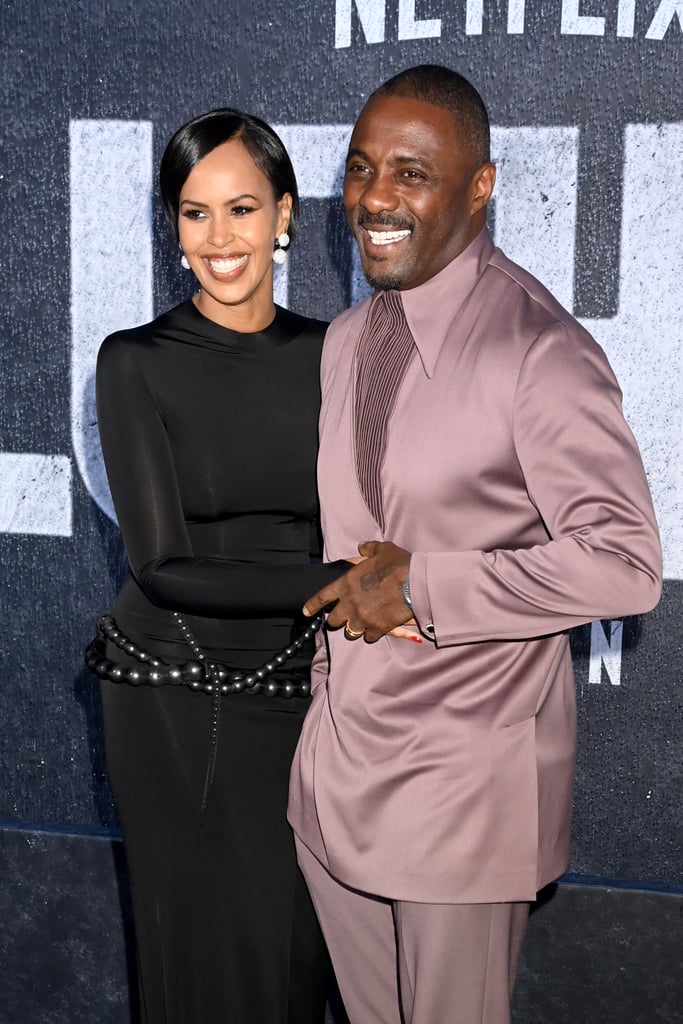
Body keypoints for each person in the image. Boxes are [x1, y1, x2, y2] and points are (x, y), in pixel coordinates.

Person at [288, 65, 663, 1024]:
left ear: (479, 188)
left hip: (462, 792)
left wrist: (427, 588)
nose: (374, 198)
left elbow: (624, 562)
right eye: (363, 168)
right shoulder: (345, 338)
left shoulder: (538, 352)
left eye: (411, 174)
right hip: (335, 782)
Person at [86, 109, 348, 1024]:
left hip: (303, 687)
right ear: (173, 227)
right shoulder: (134, 363)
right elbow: (161, 563)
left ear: (284, 215)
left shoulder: (337, 357)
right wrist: (342, 582)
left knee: (292, 958)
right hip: (172, 684)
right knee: (199, 955)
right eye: (194, 214)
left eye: (241, 209)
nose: (219, 239)